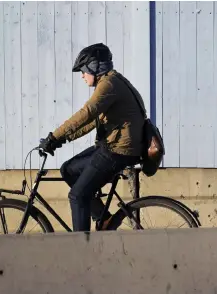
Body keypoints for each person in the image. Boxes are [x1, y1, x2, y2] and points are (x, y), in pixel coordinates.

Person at [39, 43, 146, 232]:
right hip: (114, 146)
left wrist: (53, 135)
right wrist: (61, 140)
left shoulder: (109, 84)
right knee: (69, 169)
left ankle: (82, 251)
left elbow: (87, 113)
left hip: (119, 150)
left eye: (83, 71)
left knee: (77, 196)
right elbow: (92, 121)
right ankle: (103, 218)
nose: (82, 76)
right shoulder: (112, 81)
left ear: (94, 67)